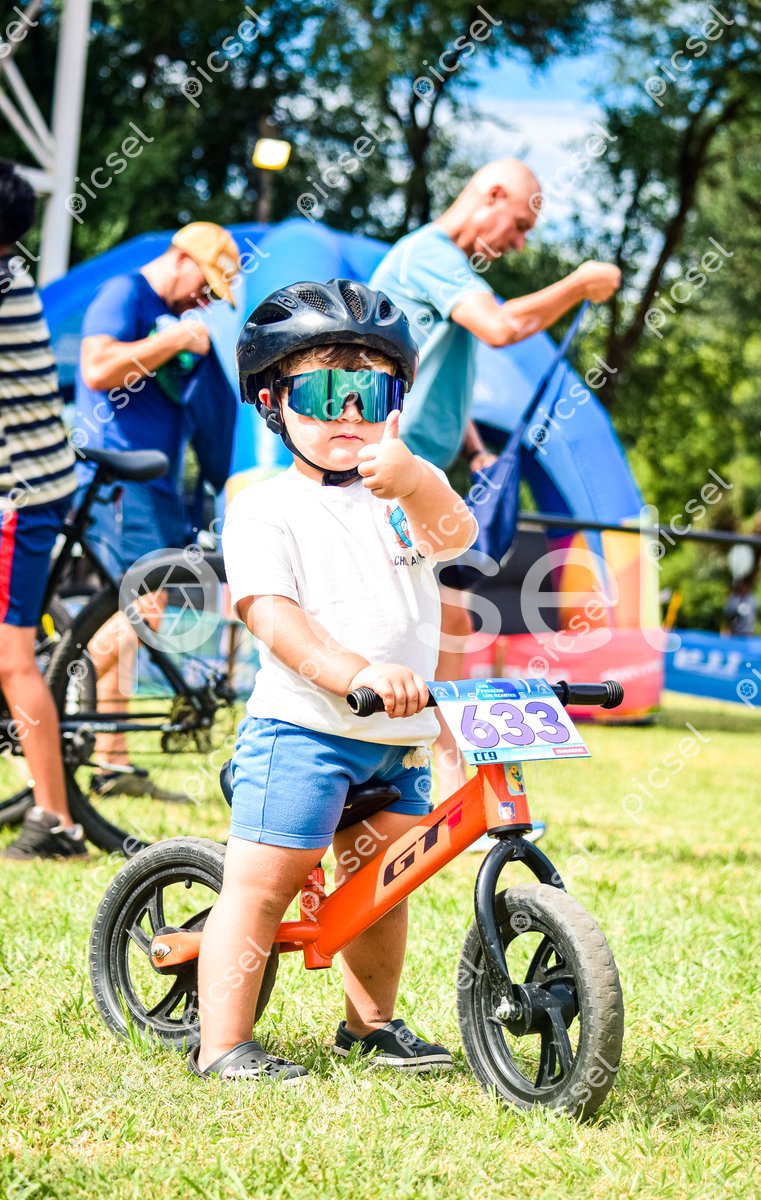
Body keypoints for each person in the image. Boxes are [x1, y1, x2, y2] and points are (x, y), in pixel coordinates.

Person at [191, 278, 477, 1081]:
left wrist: (416, 480)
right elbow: (273, 616)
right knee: (262, 886)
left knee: (382, 887)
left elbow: (457, 535)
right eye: (323, 392)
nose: (348, 412)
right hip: (302, 733)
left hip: (395, 739)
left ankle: (370, 1027)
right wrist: (355, 672)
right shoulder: (266, 509)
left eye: (370, 393)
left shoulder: (398, 494)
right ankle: (223, 1045)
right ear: (273, 402)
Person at [370, 158, 622, 796]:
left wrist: (476, 449)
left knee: (450, 623)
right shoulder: (430, 254)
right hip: (392, 475)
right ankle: (442, 780)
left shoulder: (437, 266)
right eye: (520, 225)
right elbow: (502, 327)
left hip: (420, 473)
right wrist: (578, 284)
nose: (519, 243)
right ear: (494, 193)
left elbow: (434, 376)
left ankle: (448, 780)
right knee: (433, 624)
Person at [74, 222, 240, 799]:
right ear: (183, 257)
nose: (205, 301)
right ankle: (51, 694)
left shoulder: (162, 310)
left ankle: (111, 763)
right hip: (121, 482)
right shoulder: (125, 292)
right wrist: (176, 341)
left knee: (127, 611)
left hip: (152, 484)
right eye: (206, 287)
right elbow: (97, 369)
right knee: (142, 606)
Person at [0, 160, 86, 861]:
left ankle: (56, 820)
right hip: (36, 482)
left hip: (20, 496)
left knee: (13, 659)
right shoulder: (14, 275)